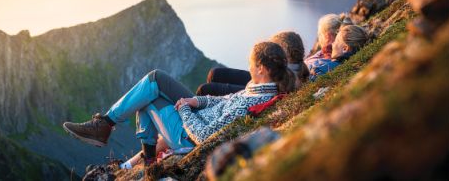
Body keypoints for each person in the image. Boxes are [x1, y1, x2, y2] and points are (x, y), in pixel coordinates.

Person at [63, 42, 296, 166]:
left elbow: (204, 136)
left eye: (250, 63)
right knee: (153, 83)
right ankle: (111, 129)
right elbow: (223, 100)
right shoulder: (259, 90)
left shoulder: (253, 100)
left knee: (148, 94)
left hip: (189, 137)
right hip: (197, 118)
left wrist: (184, 108)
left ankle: (107, 127)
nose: (248, 67)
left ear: (262, 69)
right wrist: (195, 100)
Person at [196, 31, 308, 96]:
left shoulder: (287, 78)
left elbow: (265, 89)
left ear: (285, 51)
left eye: (275, 46)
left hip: (259, 88)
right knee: (215, 73)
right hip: (264, 79)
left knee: (205, 89)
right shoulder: (296, 68)